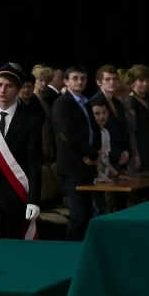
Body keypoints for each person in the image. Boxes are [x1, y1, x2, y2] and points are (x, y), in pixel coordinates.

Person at [0, 65, 42, 239]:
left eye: (9, 86)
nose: (2, 90)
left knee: (13, 248)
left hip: (15, 196)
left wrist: (33, 200)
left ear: (18, 90)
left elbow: (34, 163)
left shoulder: (31, 120)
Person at [49, 66, 97, 240]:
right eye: (75, 78)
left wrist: (95, 152)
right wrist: (90, 153)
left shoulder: (86, 102)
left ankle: (86, 248)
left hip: (88, 165)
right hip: (72, 165)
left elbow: (94, 129)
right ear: (66, 81)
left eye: (83, 78)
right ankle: (71, 249)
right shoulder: (62, 103)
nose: (79, 81)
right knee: (78, 215)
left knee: (89, 213)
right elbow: (68, 134)